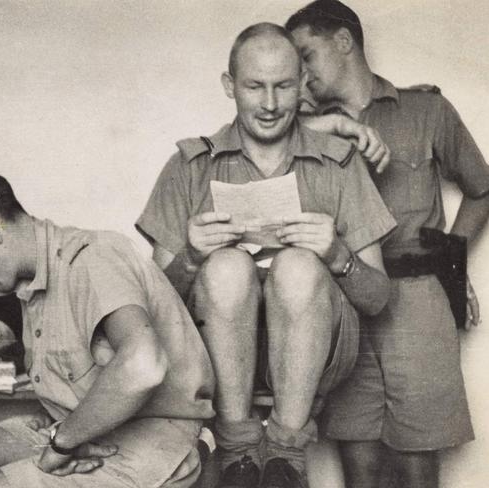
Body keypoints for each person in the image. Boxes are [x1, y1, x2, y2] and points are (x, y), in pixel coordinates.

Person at [137, 22, 396, 488]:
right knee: (228, 264)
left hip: (321, 354)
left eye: (284, 86)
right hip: (215, 357)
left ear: (303, 85)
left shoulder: (339, 162)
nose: (271, 104)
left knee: (298, 265)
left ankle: (285, 456)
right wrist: (192, 258)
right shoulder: (189, 166)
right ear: (229, 85)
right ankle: (238, 451)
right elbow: (151, 311)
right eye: (255, 86)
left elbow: (379, 298)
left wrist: (338, 255)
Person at [0, 163, 215, 488]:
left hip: (148, 440)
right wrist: (62, 434)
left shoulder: (93, 257)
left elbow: (144, 366)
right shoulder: (30, 283)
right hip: (73, 430)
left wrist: (63, 441)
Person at [285, 2, 489, 487]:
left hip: (417, 300)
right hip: (345, 300)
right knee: (359, 466)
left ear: (343, 41)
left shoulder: (426, 110)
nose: (300, 75)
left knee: (417, 465)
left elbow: (482, 189)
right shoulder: (303, 128)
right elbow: (260, 141)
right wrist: (322, 126)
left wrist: (452, 260)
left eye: (306, 55)